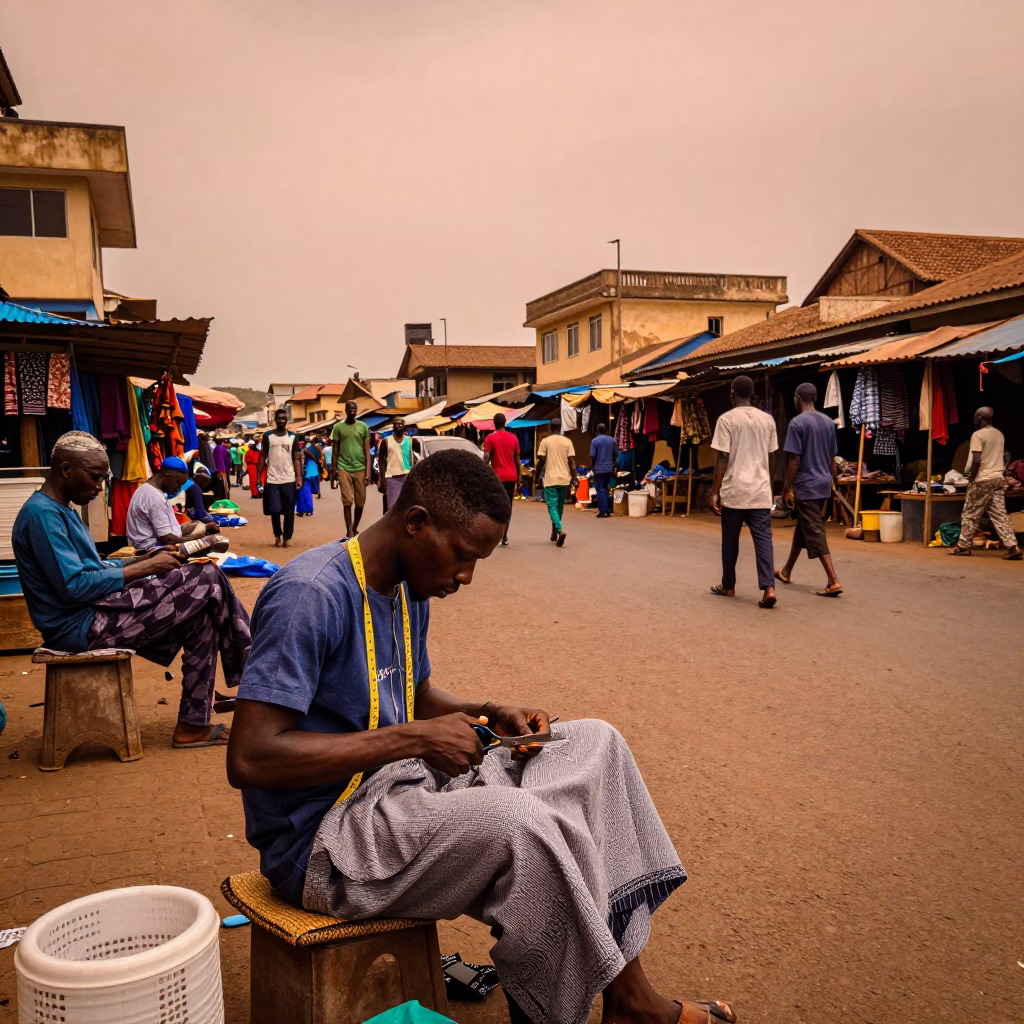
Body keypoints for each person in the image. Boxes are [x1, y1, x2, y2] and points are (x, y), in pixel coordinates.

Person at [226, 449, 732, 1024]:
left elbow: (407, 694)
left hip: (396, 787)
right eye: (463, 557)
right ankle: (596, 1006)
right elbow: (250, 758)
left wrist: (489, 712)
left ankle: (626, 994)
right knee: (519, 822)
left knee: (593, 744)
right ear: (415, 522)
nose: (465, 578)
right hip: (325, 841)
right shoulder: (309, 596)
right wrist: (415, 741)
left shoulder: (405, 587)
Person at [13, 431, 251, 749]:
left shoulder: (60, 511)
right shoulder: (42, 516)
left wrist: (143, 559)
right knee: (206, 576)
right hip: (79, 626)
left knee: (203, 614)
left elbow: (92, 569)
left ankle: (193, 725)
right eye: (95, 478)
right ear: (66, 469)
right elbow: (74, 588)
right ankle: (256, 678)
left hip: (95, 613)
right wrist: (145, 568)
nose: (99, 488)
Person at [710, 375, 779, 608]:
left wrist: (714, 491)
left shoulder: (727, 419)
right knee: (763, 540)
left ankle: (728, 585)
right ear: (753, 395)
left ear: (732, 393)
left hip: (734, 490)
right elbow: (771, 456)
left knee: (730, 540)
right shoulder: (767, 420)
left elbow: (722, 457)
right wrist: (768, 484)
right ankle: (769, 587)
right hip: (760, 491)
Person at [775, 383, 843, 596]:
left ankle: (833, 580)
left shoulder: (797, 423)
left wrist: (787, 488)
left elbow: (795, 459)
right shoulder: (828, 422)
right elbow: (832, 458)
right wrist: (834, 481)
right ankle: (786, 571)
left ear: (797, 398)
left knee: (814, 531)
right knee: (805, 527)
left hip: (807, 485)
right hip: (823, 484)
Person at [950, 406, 1022, 559]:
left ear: (980, 418)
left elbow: (976, 460)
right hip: (997, 479)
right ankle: (1013, 546)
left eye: (975, 416)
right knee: (999, 514)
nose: (974, 419)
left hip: (983, 479)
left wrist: (970, 480)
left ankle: (963, 546)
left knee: (969, 513)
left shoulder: (978, 435)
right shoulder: (999, 435)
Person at [125, 455, 218, 550]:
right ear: (168, 475)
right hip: (153, 548)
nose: (178, 489)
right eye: (178, 483)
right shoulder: (154, 497)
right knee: (208, 544)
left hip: (158, 541)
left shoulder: (146, 488)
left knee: (198, 526)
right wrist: (196, 539)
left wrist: (196, 527)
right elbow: (167, 539)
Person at [258, 409, 303, 548]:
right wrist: (259, 477)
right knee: (275, 510)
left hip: (289, 480)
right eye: (279, 418)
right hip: (272, 480)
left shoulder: (293, 437)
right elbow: (263, 456)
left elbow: (297, 458)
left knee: (289, 511)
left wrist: (299, 477)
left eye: (284, 418)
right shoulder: (268, 436)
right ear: (275, 420)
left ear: (287, 420)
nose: (282, 420)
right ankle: (277, 534)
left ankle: (287, 537)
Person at [331, 401, 371, 539]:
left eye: (354, 409)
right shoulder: (338, 428)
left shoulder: (363, 427)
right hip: (343, 467)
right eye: (350, 409)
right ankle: (349, 531)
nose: (352, 411)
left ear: (357, 410)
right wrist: (333, 472)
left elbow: (367, 451)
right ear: (346, 410)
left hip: (360, 468)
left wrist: (368, 473)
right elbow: (335, 451)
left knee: (360, 503)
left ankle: (355, 527)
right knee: (347, 501)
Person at [535, 419, 577, 546]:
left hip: (551, 479)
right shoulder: (567, 441)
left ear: (550, 428)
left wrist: (536, 476)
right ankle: (554, 532)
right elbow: (572, 463)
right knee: (559, 507)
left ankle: (559, 530)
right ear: (561, 427)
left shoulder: (545, 442)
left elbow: (541, 461)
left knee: (552, 507)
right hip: (564, 479)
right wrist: (575, 478)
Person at [483, 412, 521, 545]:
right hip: (511, 477)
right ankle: (504, 535)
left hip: (497, 477)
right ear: (505, 422)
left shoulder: (490, 438)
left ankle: (494, 534)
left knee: (494, 505)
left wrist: (482, 473)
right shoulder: (514, 438)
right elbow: (517, 460)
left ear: (494, 423)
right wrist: (519, 477)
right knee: (508, 506)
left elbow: (486, 458)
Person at [377, 417, 421, 509]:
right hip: (392, 478)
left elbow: (421, 450)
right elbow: (381, 461)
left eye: (401, 424)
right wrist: (381, 479)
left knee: (408, 506)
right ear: (393, 427)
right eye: (397, 424)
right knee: (393, 507)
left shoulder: (410, 440)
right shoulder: (386, 441)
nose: (399, 426)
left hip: (407, 477)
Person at [590, 423, 618, 518]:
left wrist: (592, 467)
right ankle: (608, 510)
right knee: (605, 488)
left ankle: (603, 511)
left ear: (598, 430)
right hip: (609, 468)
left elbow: (593, 456)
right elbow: (615, 455)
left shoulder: (595, 441)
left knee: (600, 489)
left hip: (599, 468)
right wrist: (613, 466)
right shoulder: (612, 440)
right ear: (606, 430)